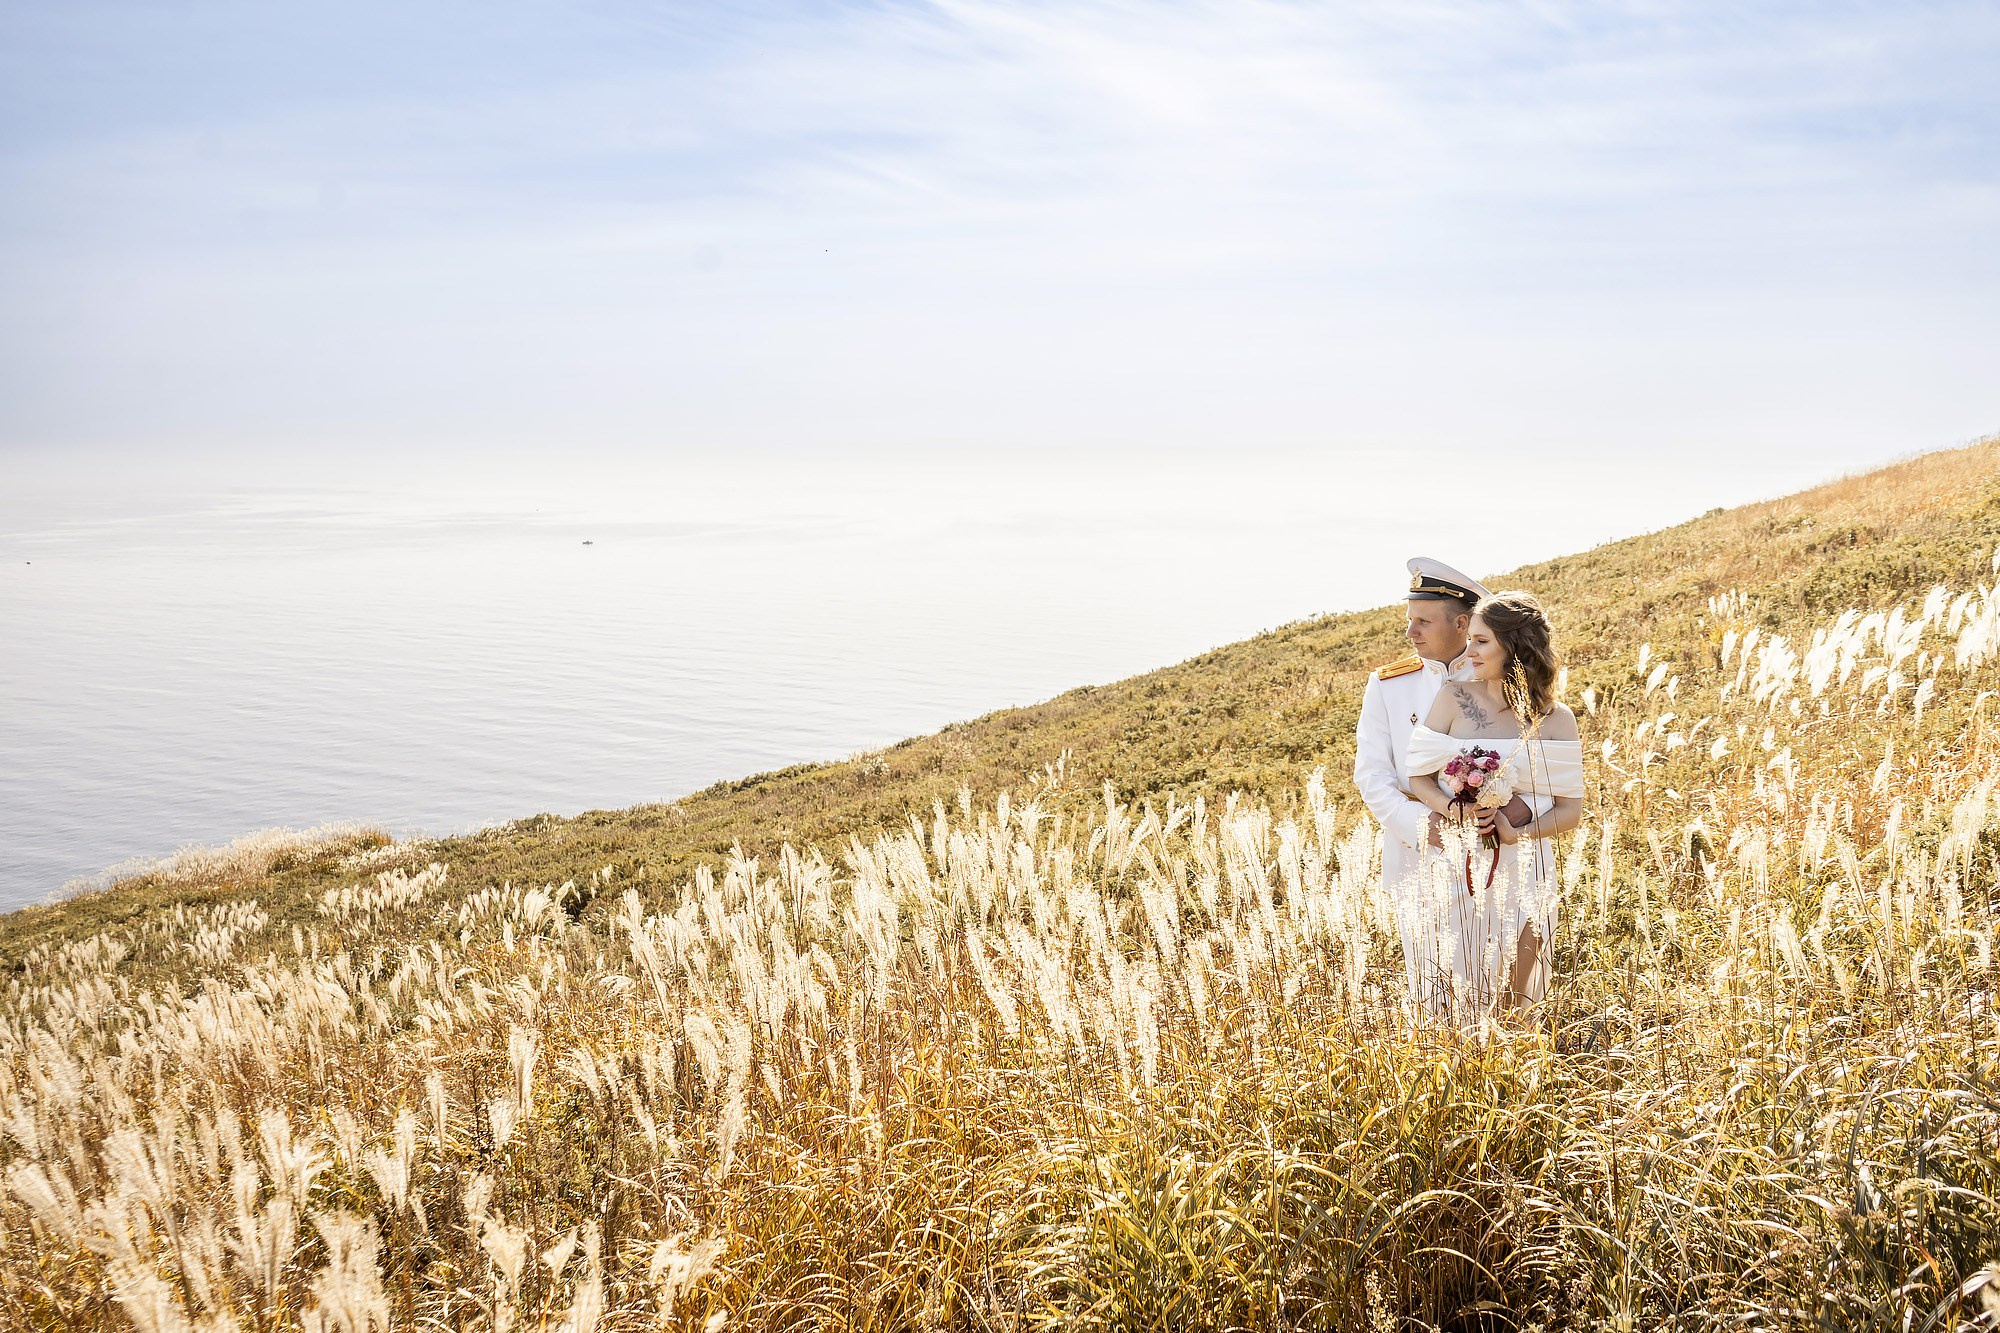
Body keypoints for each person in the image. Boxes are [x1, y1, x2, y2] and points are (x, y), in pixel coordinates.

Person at [1404, 591, 1584, 1021]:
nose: (1469, 651)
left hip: (1525, 865)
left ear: (1515, 644)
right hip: (1458, 862)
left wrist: (1516, 831)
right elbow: (1418, 777)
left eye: (1482, 641)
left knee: (1520, 988)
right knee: (1459, 975)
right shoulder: (1453, 697)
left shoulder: (1557, 720)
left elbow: (1570, 811)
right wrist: (1452, 809)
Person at [1353, 557, 1490, 1018]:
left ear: (1461, 623)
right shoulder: (1388, 685)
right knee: (1431, 992)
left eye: (1423, 622)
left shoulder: (1498, 678)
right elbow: (1371, 775)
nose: (1411, 632)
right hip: (1418, 857)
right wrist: (1419, 824)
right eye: (1409, 620)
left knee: (1495, 981)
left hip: (1492, 853)